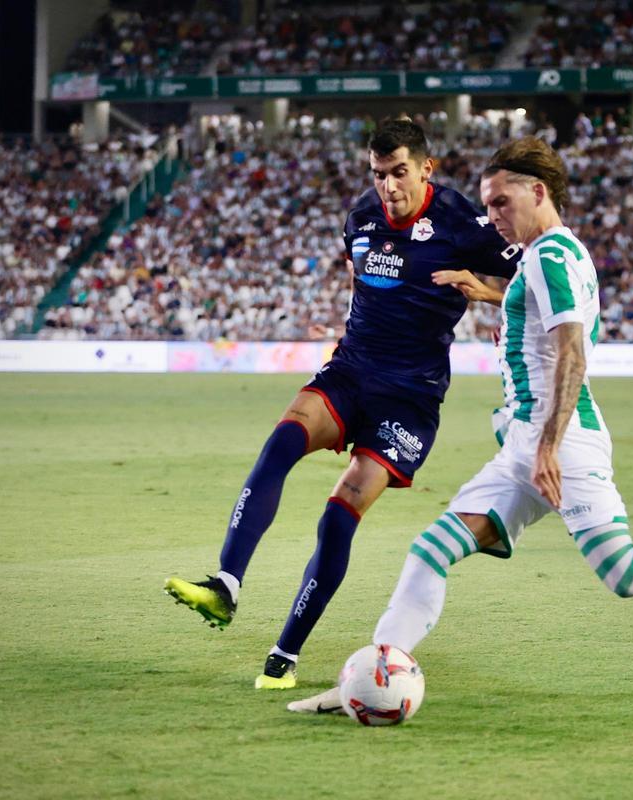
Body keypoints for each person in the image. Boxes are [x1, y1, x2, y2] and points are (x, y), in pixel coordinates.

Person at [287, 137, 633, 715]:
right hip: (527, 445)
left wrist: (549, 447)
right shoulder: (548, 255)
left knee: (629, 573)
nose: (492, 217)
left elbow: (572, 352)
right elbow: (536, 316)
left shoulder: (552, 257)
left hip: (562, 442)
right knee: (430, 550)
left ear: (538, 191)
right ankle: (370, 682)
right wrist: (487, 294)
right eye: (487, 205)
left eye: (501, 203)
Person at [163, 118, 519, 688]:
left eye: (399, 172)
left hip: (411, 398)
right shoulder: (359, 216)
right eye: (378, 174)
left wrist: (492, 293)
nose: (388, 187)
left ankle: (285, 654)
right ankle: (225, 585)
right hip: (351, 371)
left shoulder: (464, 224)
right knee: (281, 442)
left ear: (426, 168)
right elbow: (362, 279)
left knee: (337, 518)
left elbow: (541, 280)